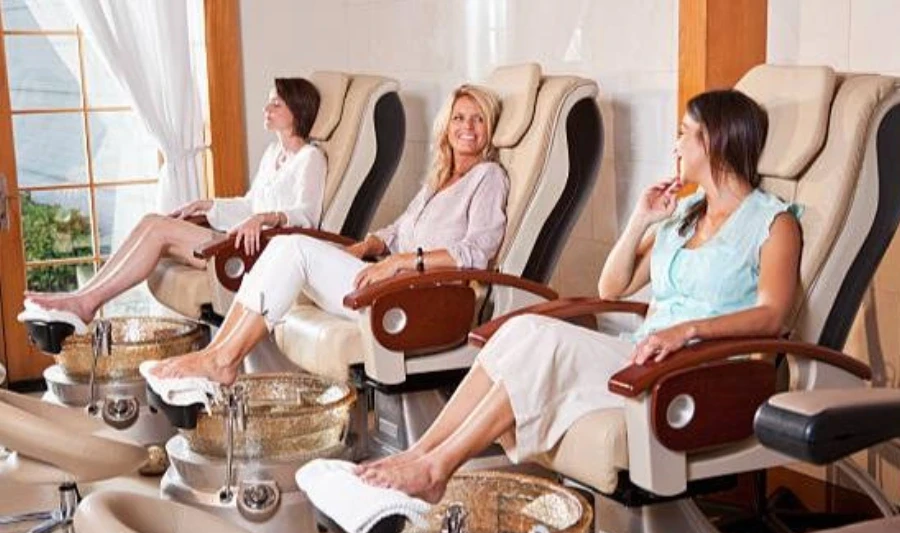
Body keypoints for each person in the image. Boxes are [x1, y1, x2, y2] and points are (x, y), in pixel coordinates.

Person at [355, 89, 803, 504]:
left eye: (685, 134)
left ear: (717, 141)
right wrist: (640, 220)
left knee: (545, 341)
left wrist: (688, 331)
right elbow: (612, 287)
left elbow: (773, 316)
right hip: (645, 356)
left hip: (702, 373)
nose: (676, 145)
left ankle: (437, 468)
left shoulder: (772, 223)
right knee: (522, 327)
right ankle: (420, 455)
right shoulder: (686, 214)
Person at [150, 84, 509, 385]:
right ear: (447, 125)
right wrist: (369, 244)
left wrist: (401, 262)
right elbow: (399, 230)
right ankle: (216, 354)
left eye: (478, 119)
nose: (468, 127)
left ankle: (223, 360)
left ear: (489, 128)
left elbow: (477, 251)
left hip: (428, 299)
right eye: (460, 117)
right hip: (394, 283)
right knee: (284, 247)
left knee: (294, 248)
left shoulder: (487, 177)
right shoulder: (439, 179)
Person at [24, 78, 326, 324]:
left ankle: (85, 303)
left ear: (298, 112)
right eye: (268, 100)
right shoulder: (273, 155)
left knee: (159, 230)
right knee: (150, 221)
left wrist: (266, 218)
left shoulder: (310, 158)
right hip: (241, 241)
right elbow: (249, 205)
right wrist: (209, 204)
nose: (267, 107)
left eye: (277, 103)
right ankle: (83, 295)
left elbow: (306, 216)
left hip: (261, 255)